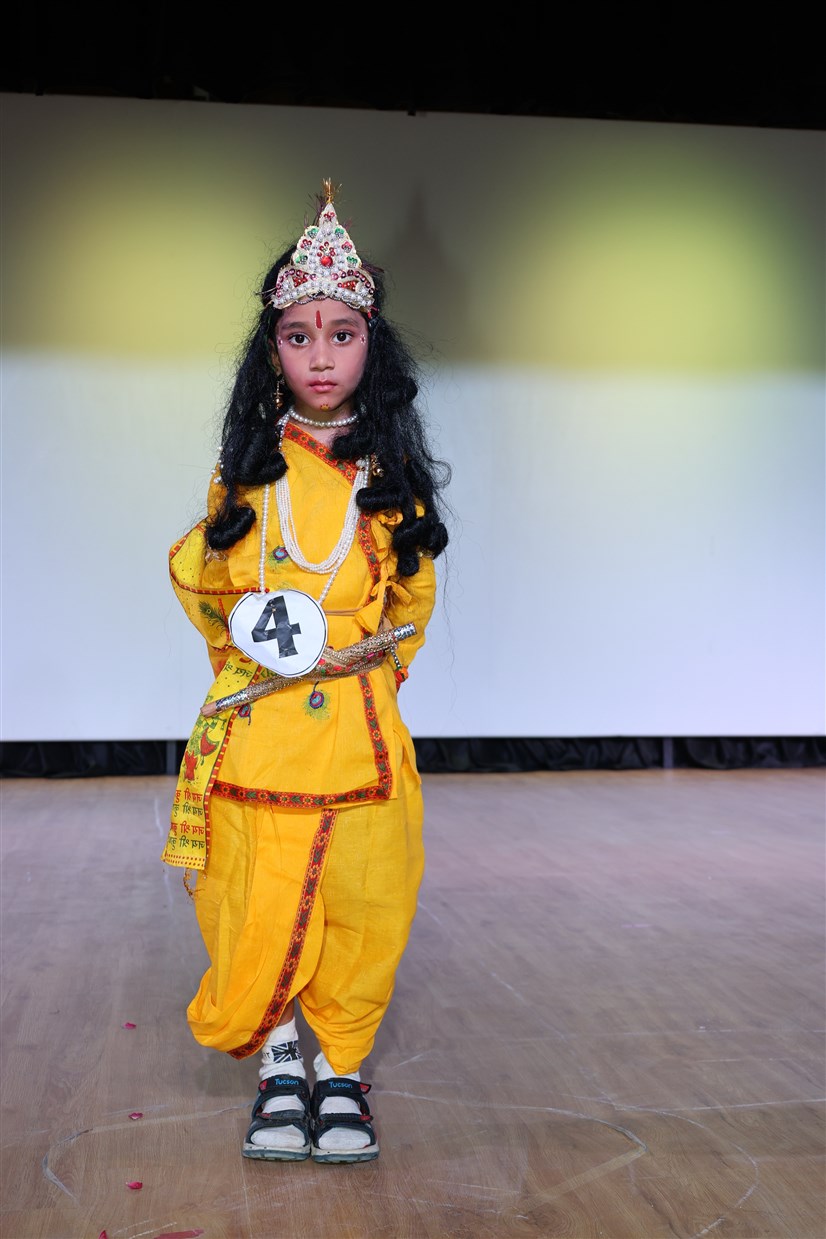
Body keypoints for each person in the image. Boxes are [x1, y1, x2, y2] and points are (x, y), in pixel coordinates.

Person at [161, 180, 450, 1164]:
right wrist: (250, 661)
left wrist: (361, 675)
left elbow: (410, 611)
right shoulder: (245, 477)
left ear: (372, 347)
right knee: (253, 893)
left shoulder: (392, 484)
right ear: (271, 350)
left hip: (361, 734)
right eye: (297, 336)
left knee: (367, 896)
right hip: (259, 730)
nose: (320, 357)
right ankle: (280, 1064)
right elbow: (202, 582)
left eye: (340, 334)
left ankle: (343, 1069)